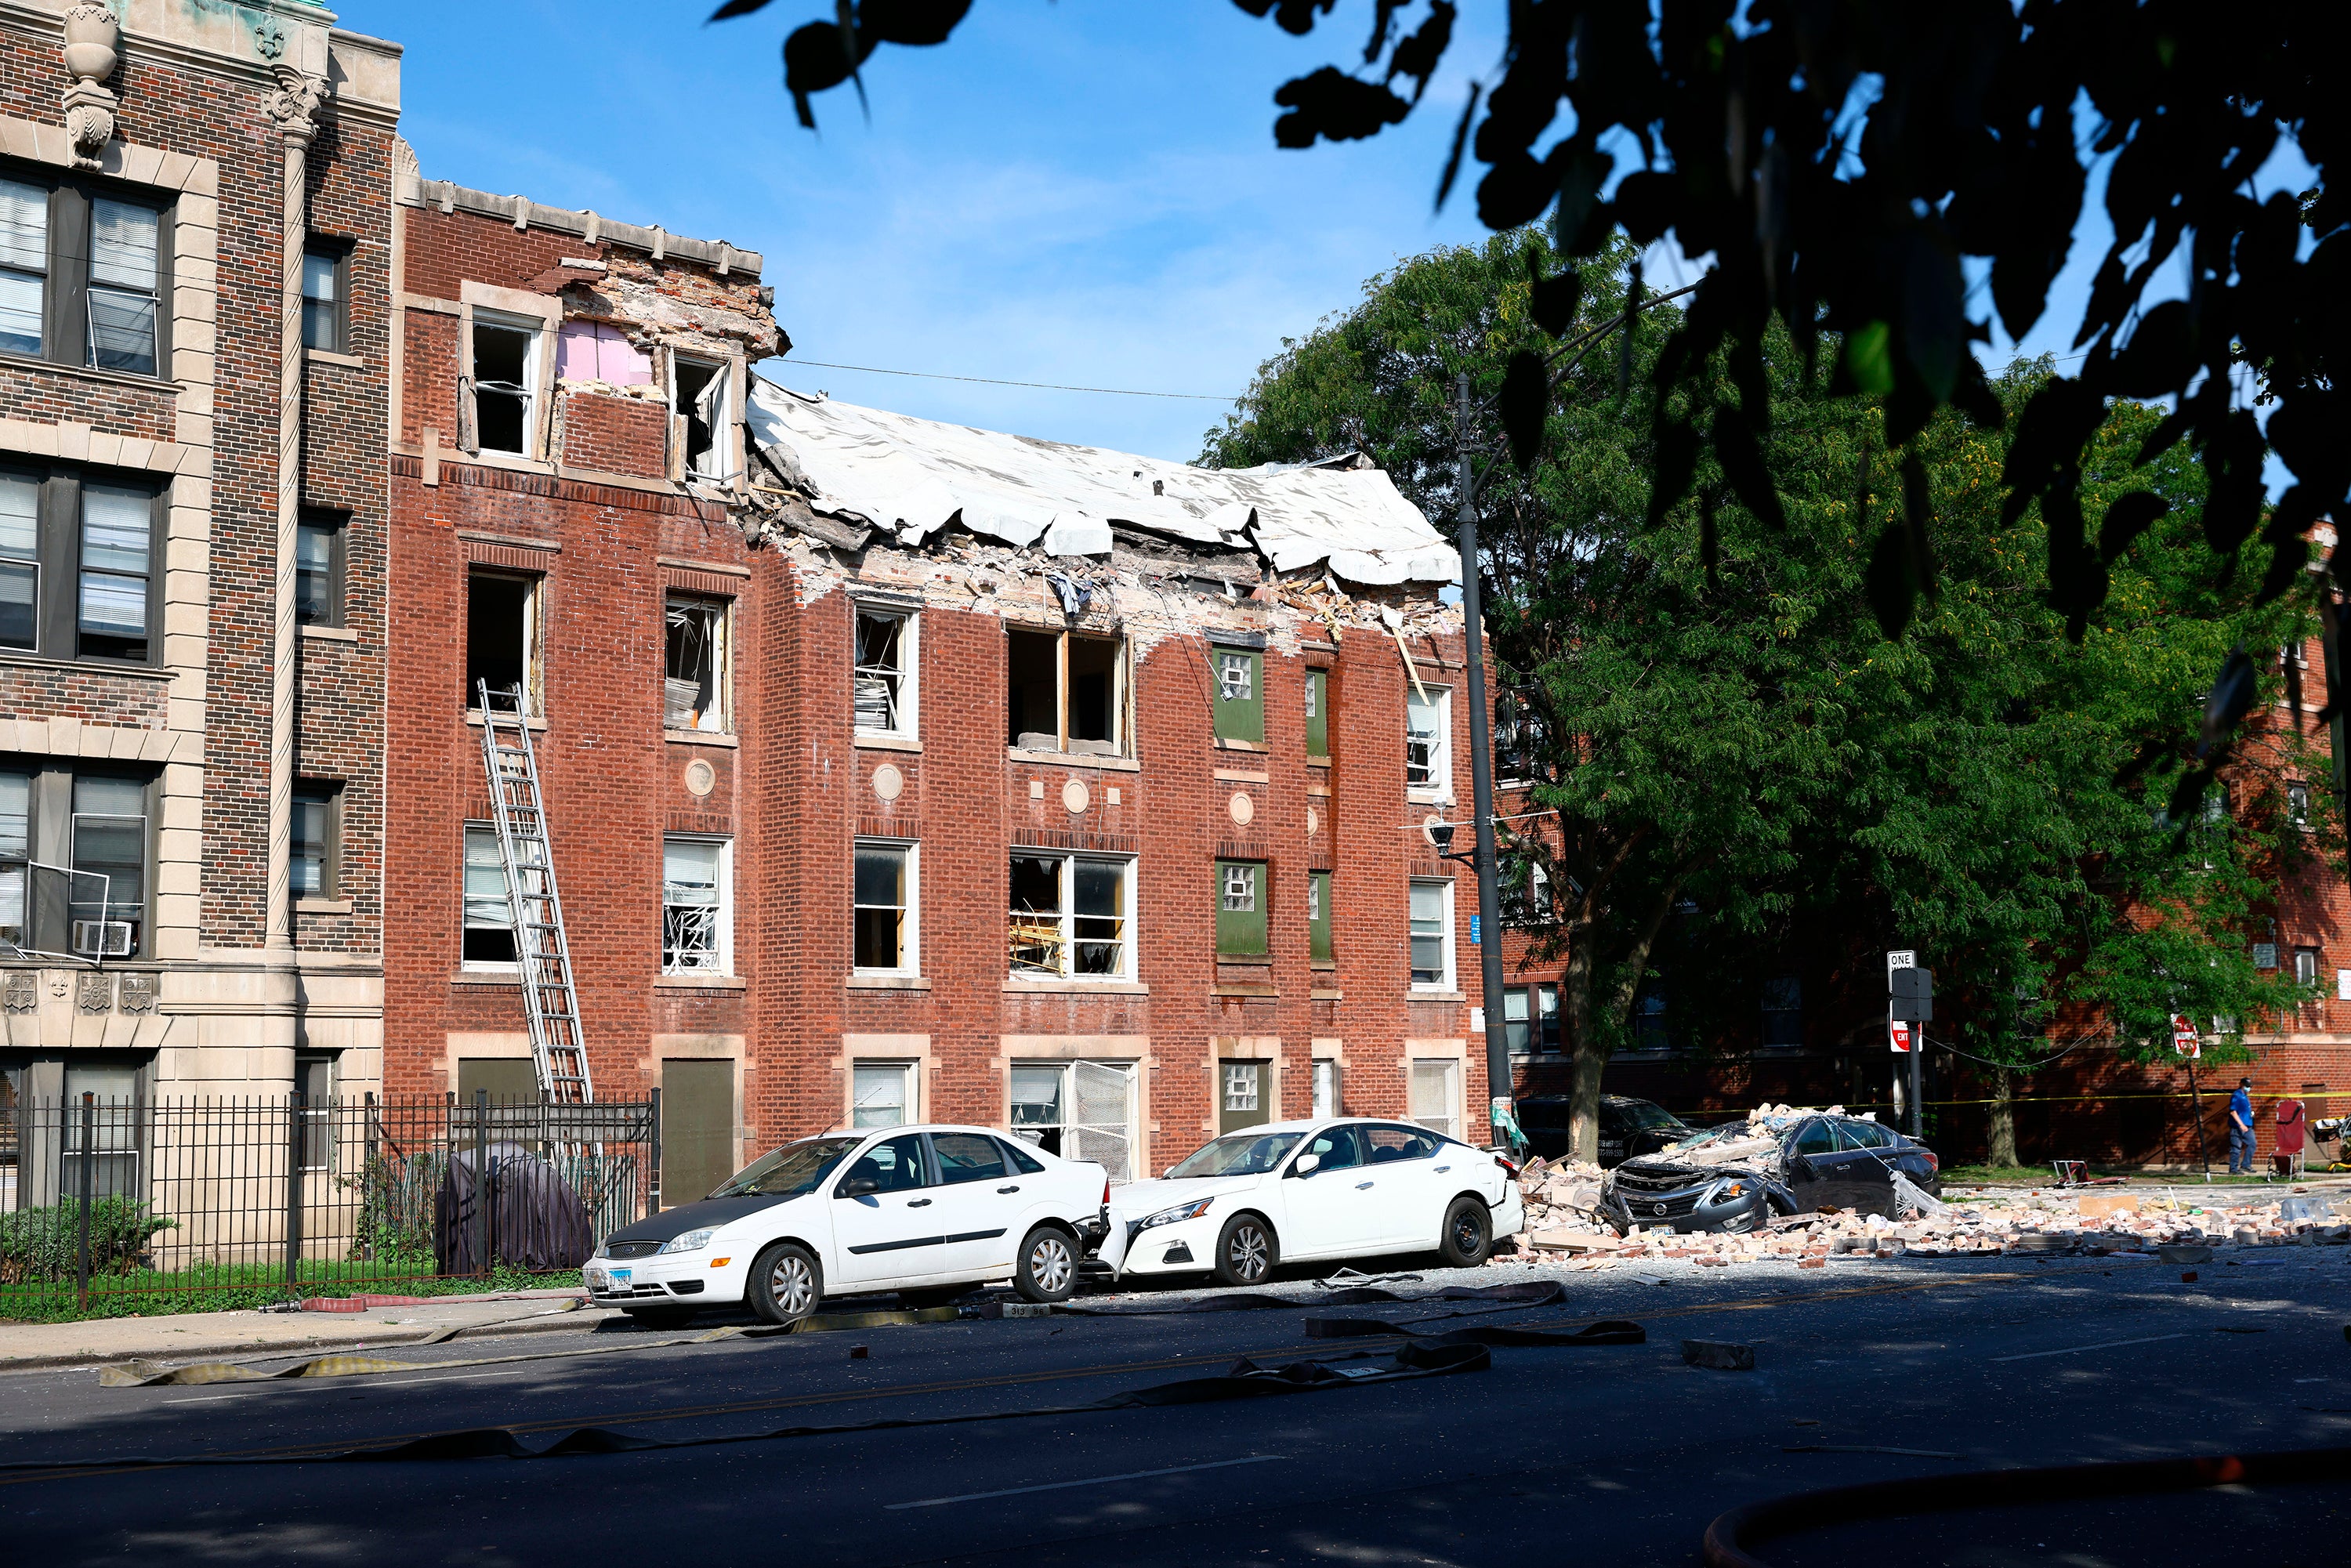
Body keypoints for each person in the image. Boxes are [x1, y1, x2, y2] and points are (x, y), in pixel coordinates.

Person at [2228, 1077, 2256, 1175]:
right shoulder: (2237, 1095)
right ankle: (2233, 1169)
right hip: (2238, 1126)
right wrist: (2241, 1124)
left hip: (2248, 1125)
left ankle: (2246, 1165)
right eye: (2247, 1086)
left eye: (2250, 1086)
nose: (2249, 1088)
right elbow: (2233, 1112)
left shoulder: (2245, 1096)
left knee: (2252, 1144)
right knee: (2236, 1147)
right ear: (2241, 1085)